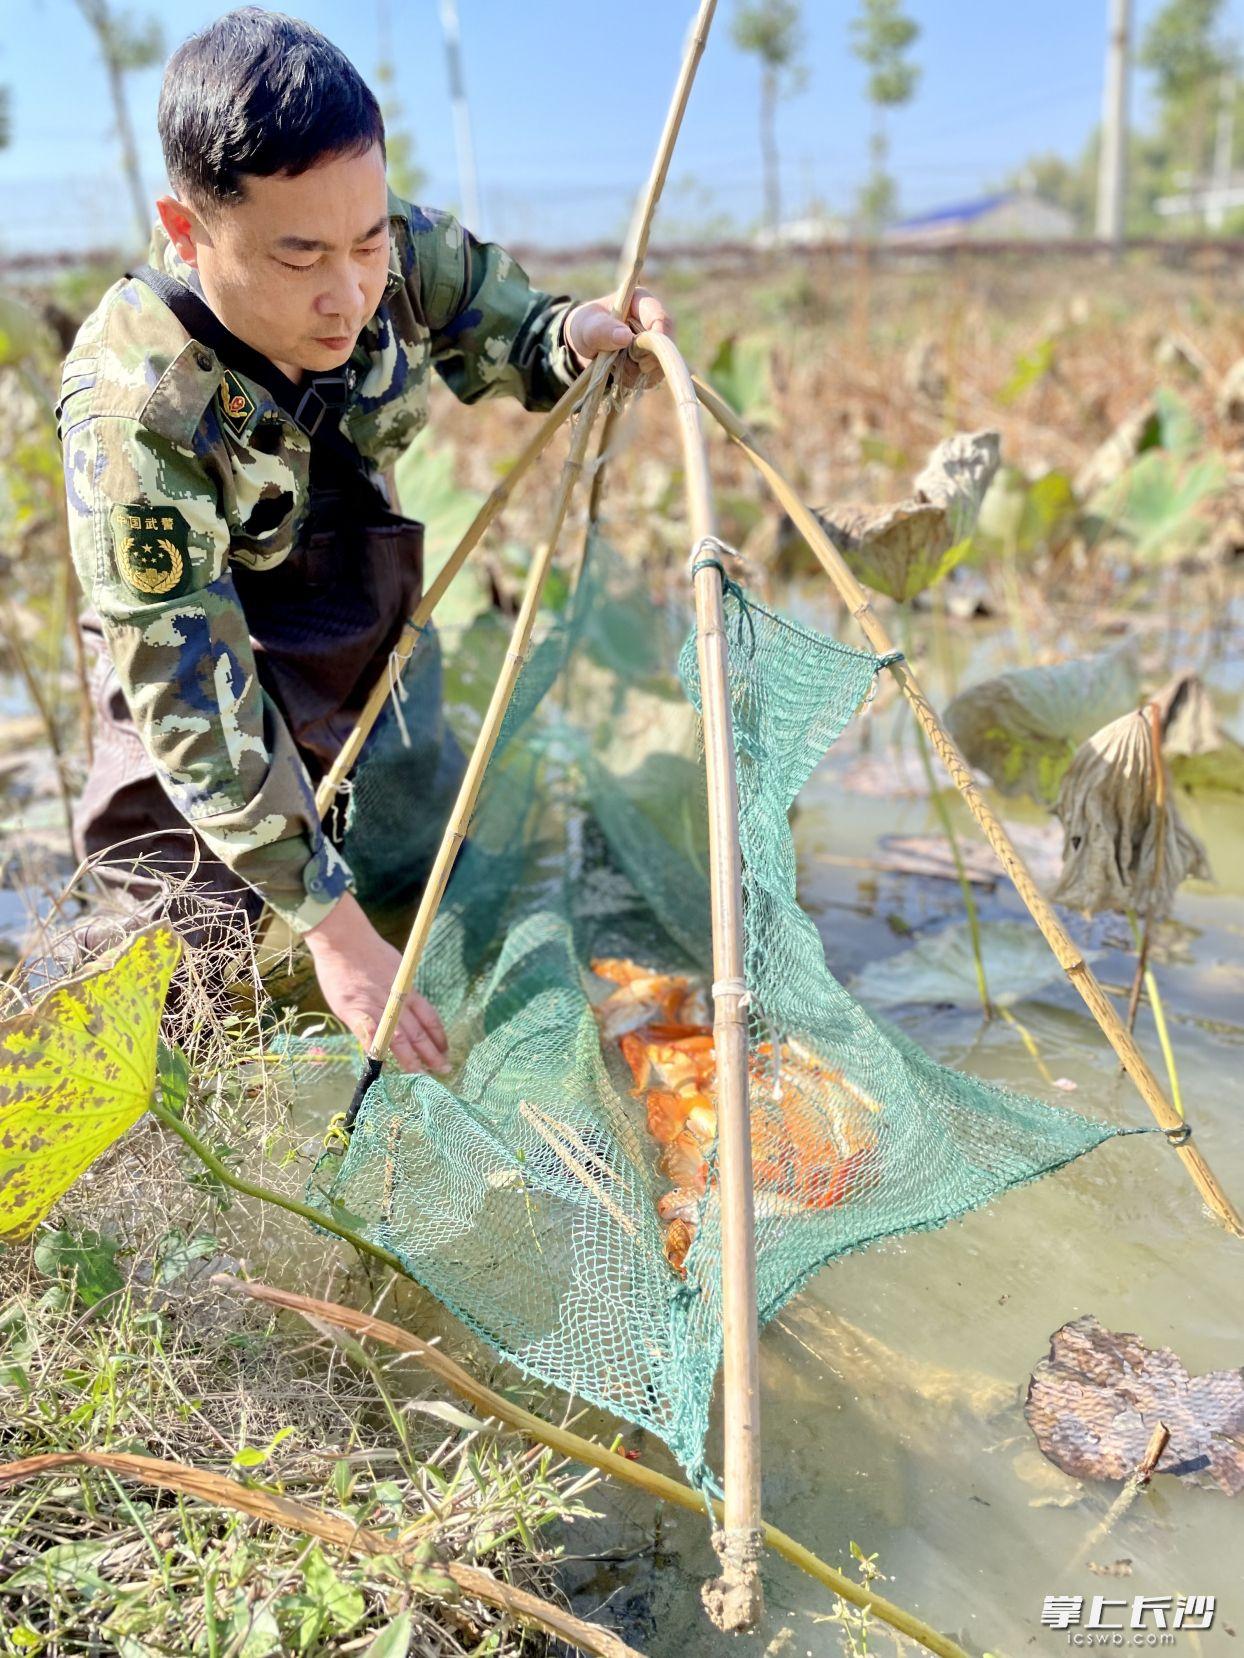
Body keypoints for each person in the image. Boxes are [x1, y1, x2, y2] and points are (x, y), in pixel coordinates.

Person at [58, 7, 674, 1075]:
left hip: (368, 641)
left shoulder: (390, 250)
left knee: (416, 887)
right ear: (186, 227)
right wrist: (333, 940)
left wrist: (576, 336)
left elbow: (515, 329)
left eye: (365, 240)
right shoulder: (136, 411)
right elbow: (190, 691)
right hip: (207, 673)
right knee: (175, 993)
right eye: (299, 256)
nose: (348, 292)